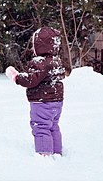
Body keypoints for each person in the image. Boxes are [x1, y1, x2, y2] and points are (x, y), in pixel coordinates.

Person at [5, 27, 66, 157]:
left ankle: (44, 154)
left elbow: (31, 80)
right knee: (53, 126)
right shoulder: (57, 61)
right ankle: (57, 152)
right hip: (57, 101)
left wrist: (16, 77)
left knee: (41, 127)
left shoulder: (40, 62)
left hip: (42, 102)